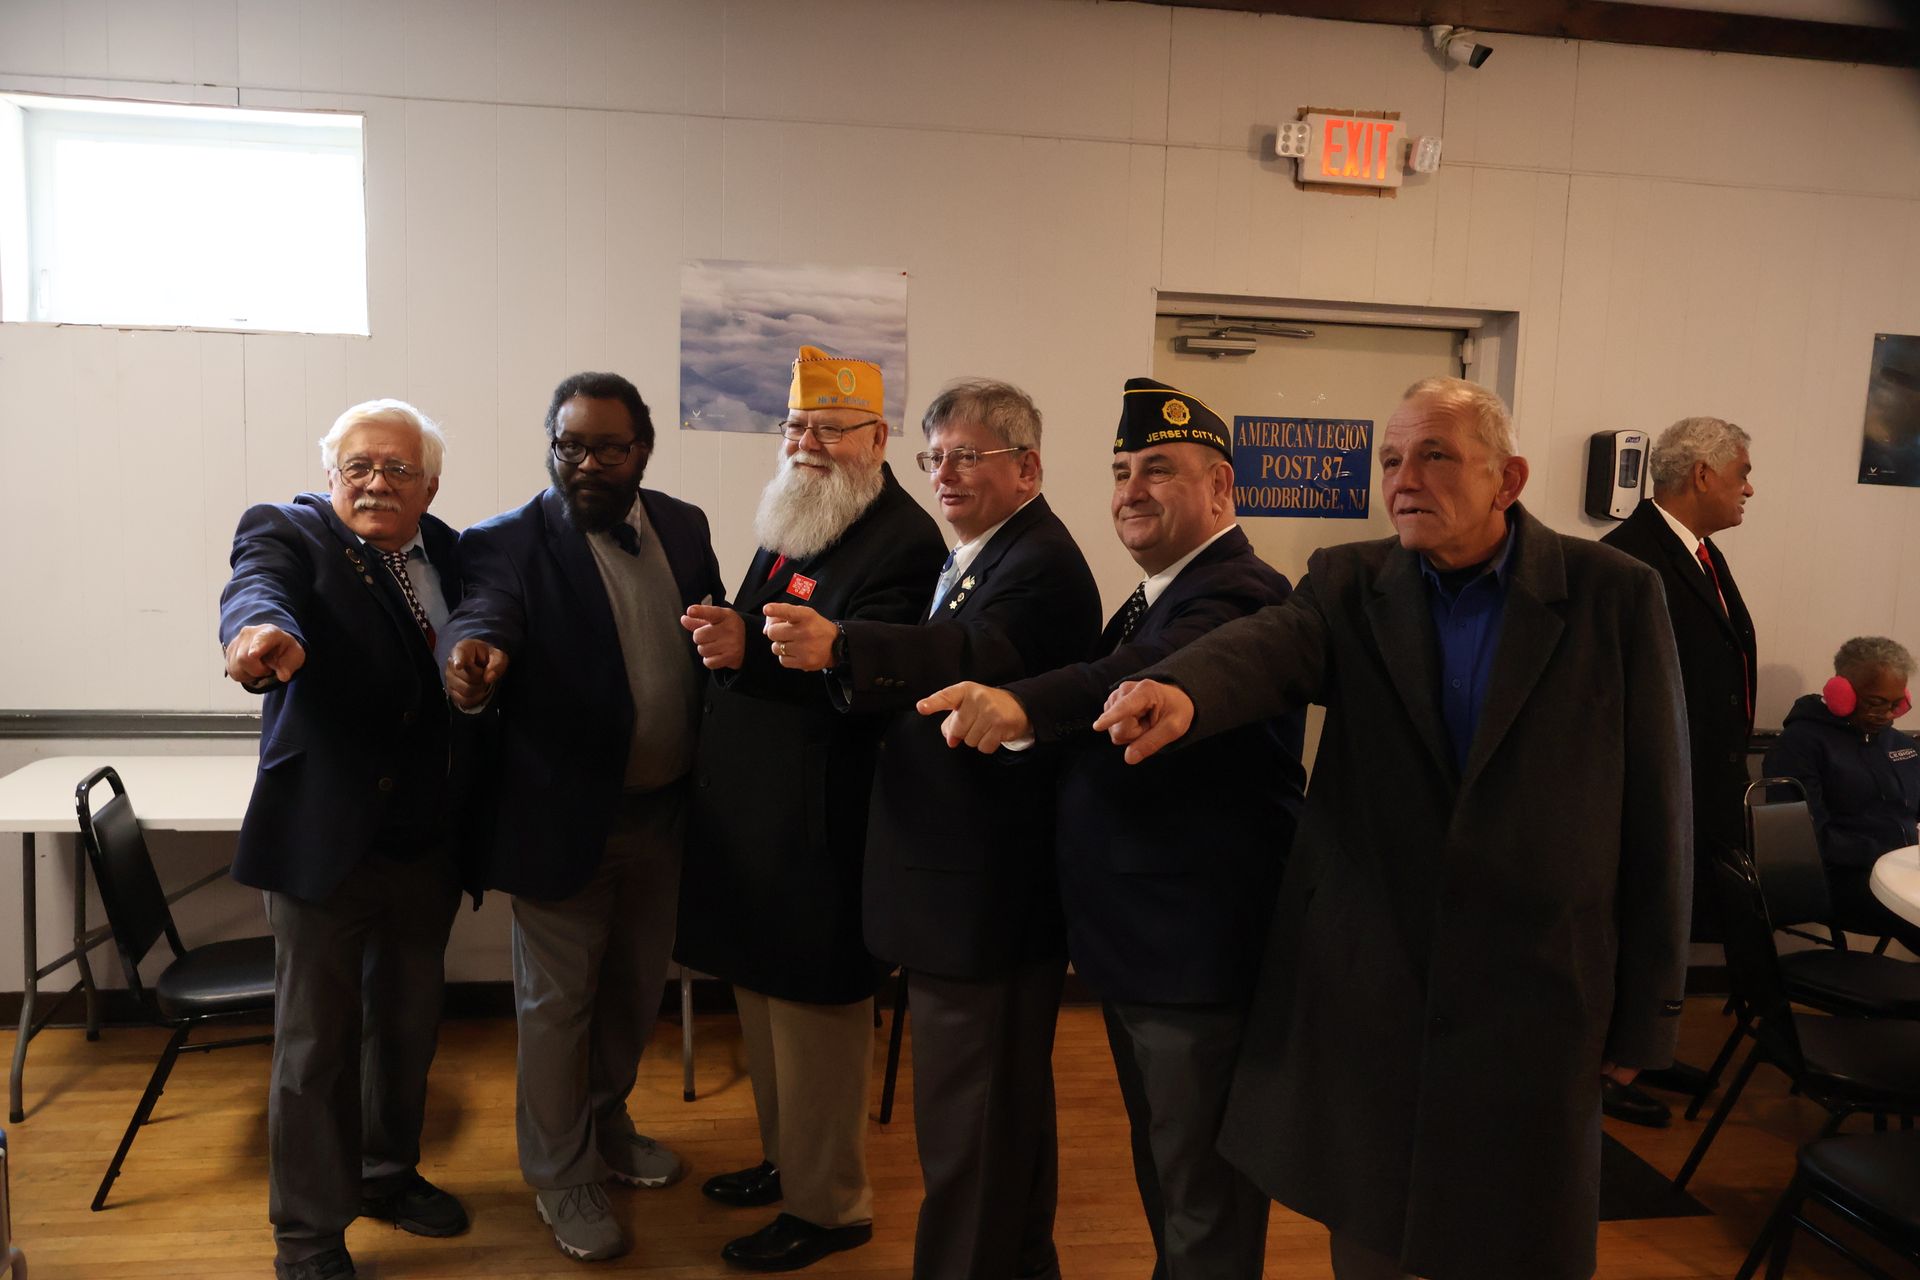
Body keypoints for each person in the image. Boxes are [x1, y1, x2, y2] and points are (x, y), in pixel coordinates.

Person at [1095, 377, 1692, 1280]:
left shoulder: (1615, 595)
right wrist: (1184, 687)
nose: (1403, 478)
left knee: (1519, 1240)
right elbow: (1270, 647)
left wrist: (1648, 1017)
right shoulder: (1349, 579)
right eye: (1389, 459)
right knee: (1373, 1231)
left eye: (1435, 455)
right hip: (1377, 986)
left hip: (1536, 994)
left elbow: (1660, 813)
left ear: (1509, 478)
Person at [918, 376, 1305, 1279]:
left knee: (1200, 1198)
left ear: (1222, 489)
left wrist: (1015, 707)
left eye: (1158, 470)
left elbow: (1138, 676)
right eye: (1123, 469)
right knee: (1170, 1182)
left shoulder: (1237, 593)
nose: (1130, 489)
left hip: (1195, 955)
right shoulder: (1155, 593)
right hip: (1143, 951)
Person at [763, 377, 1102, 1280]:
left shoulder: (1040, 565)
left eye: (967, 457)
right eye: (934, 457)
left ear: (1026, 467)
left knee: (968, 1135)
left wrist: (844, 644)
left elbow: (970, 656)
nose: (944, 475)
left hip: (986, 903)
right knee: (1000, 1125)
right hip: (963, 893)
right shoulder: (981, 552)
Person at [440, 372, 724, 1263]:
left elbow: (710, 635)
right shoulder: (505, 542)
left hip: (667, 816)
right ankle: (561, 1175)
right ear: (551, 447)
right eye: (571, 446)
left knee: (634, 992)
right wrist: (472, 659)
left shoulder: (684, 526)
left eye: (609, 447)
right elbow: (483, 618)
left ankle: (607, 1126)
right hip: (565, 823)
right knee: (557, 1007)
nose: (588, 462)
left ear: (642, 451)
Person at [673, 345, 946, 1271]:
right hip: (756, 821)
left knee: (819, 1021)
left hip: (825, 824)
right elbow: (766, 639)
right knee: (761, 1006)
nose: (808, 444)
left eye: (830, 429)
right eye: (796, 427)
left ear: (876, 438)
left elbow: (870, 679)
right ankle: (787, 1162)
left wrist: (749, 650)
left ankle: (832, 1208)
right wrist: (730, 638)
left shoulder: (903, 541)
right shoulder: (796, 515)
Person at [219, 398, 469, 1280]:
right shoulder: (289, 533)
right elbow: (258, 585)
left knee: (405, 1029)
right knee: (315, 1048)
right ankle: (309, 1236)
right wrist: (257, 631)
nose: (375, 482)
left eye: (398, 470)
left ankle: (387, 1177)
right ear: (331, 476)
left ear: (429, 487)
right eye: (358, 466)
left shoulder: (451, 554)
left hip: (423, 843)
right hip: (324, 844)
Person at [1600, 415, 1755, 1124]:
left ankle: (1647, 1048)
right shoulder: (1629, 559)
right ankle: (1610, 1065)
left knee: (1675, 921)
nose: (1749, 489)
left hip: (1702, 785)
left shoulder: (1698, 554)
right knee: (1636, 920)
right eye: (1741, 473)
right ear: (1702, 474)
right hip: (1652, 789)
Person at [1764, 636, 1920, 956]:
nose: (1888, 715)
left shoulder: (1899, 745)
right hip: (1837, 880)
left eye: (1896, 704)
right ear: (1841, 692)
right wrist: (1895, 849)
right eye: (1876, 703)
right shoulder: (1801, 746)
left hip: (1899, 871)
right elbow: (1807, 840)